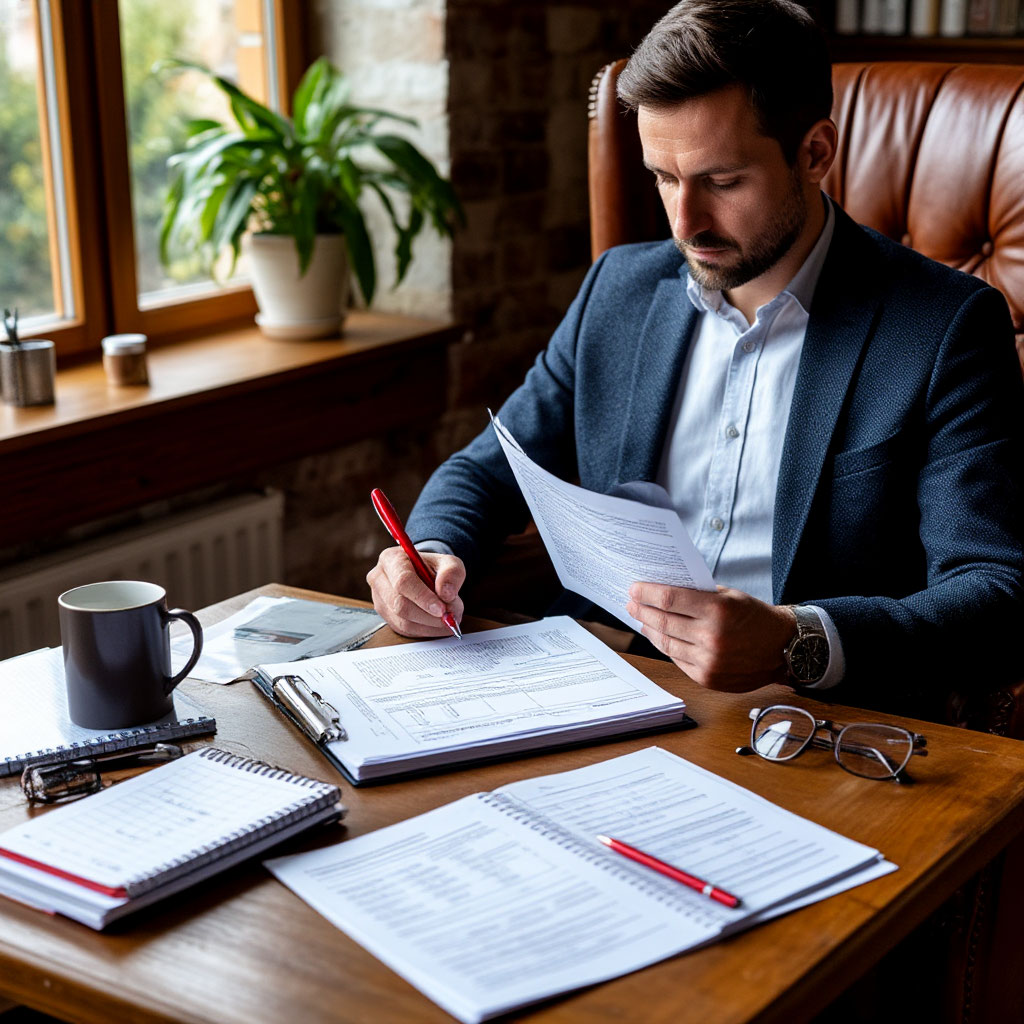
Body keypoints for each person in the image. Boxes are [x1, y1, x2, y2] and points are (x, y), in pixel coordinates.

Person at [367, 0, 1023, 710]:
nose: (685, 223)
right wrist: (428, 552)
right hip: (598, 690)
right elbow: (487, 473)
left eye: (722, 181)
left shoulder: (947, 327)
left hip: (813, 718)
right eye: (664, 177)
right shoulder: (616, 290)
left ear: (815, 153)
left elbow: (995, 594)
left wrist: (793, 639)